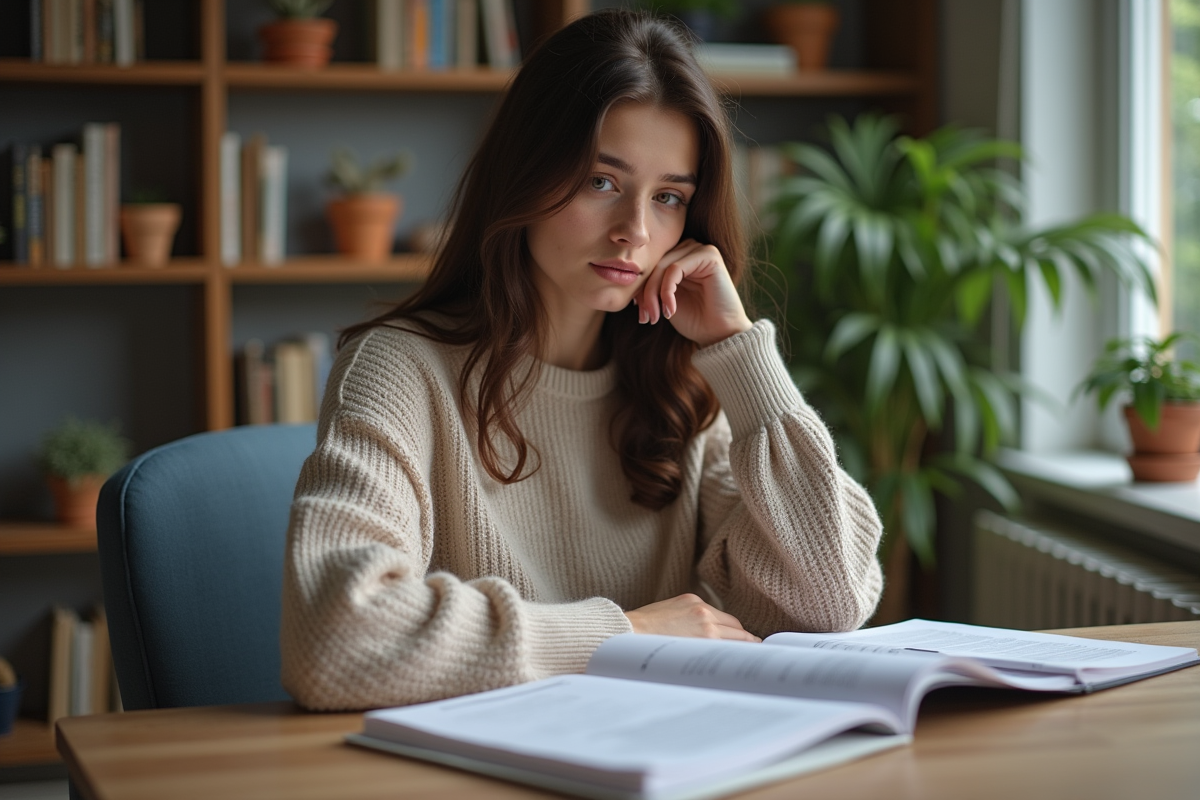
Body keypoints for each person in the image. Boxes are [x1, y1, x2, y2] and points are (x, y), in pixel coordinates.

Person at [280, 8, 883, 712]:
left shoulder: (684, 383)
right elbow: (335, 640)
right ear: (527, 175)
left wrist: (737, 351)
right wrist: (623, 634)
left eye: (668, 198)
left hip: (661, 760)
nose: (635, 231)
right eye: (602, 181)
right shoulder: (400, 370)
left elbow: (833, 599)